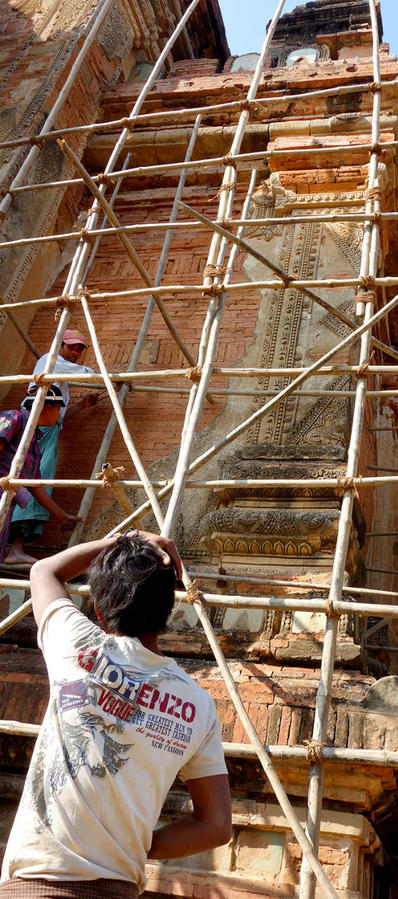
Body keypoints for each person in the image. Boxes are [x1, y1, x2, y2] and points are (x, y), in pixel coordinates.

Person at [0, 529, 231, 897]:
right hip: (120, 886)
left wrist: (126, 539)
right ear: (169, 609)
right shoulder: (198, 705)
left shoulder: (77, 644)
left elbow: (44, 571)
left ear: (99, 611)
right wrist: (134, 845)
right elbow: (216, 825)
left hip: (37, 884)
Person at [9, 330, 97, 565]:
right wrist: (110, 380)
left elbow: (57, 419)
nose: (76, 353)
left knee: (38, 483)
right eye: (71, 347)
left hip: (48, 431)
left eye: (79, 349)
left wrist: (80, 405)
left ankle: (16, 548)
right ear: (60, 345)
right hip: (42, 430)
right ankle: (15, 548)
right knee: (30, 483)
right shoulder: (51, 361)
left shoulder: (57, 375)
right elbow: (90, 375)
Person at [0, 385, 79, 565]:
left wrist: (62, 516)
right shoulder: (14, 418)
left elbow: (35, 486)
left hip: (6, 506)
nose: (59, 415)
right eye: (59, 409)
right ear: (47, 407)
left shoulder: (34, 444)